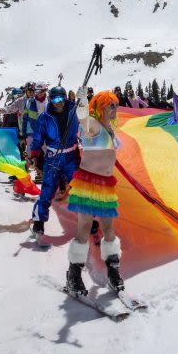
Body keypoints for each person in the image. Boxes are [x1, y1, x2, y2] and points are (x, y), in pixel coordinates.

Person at [65, 90, 127, 296]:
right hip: (88, 183)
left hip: (106, 185)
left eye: (115, 105)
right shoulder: (93, 124)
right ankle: (73, 275)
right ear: (100, 107)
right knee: (84, 227)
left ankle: (113, 272)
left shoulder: (110, 129)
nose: (114, 109)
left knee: (108, 230)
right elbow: (82, 119)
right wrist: (82, 103)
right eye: (110, 105)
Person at [29, 86, 80, 236]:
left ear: (65, 98)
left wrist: (83, 100)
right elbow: (38, 138)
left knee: (79, 188)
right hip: (53, 158)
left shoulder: (74, 110)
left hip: (72, 156)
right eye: (55, 99)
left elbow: (86, 116)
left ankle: (88, 220)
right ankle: (39, 222)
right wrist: (35, 154)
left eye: (61, 99)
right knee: (47, 189)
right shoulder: (44, 117)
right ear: (50, 100)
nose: (59, 103)